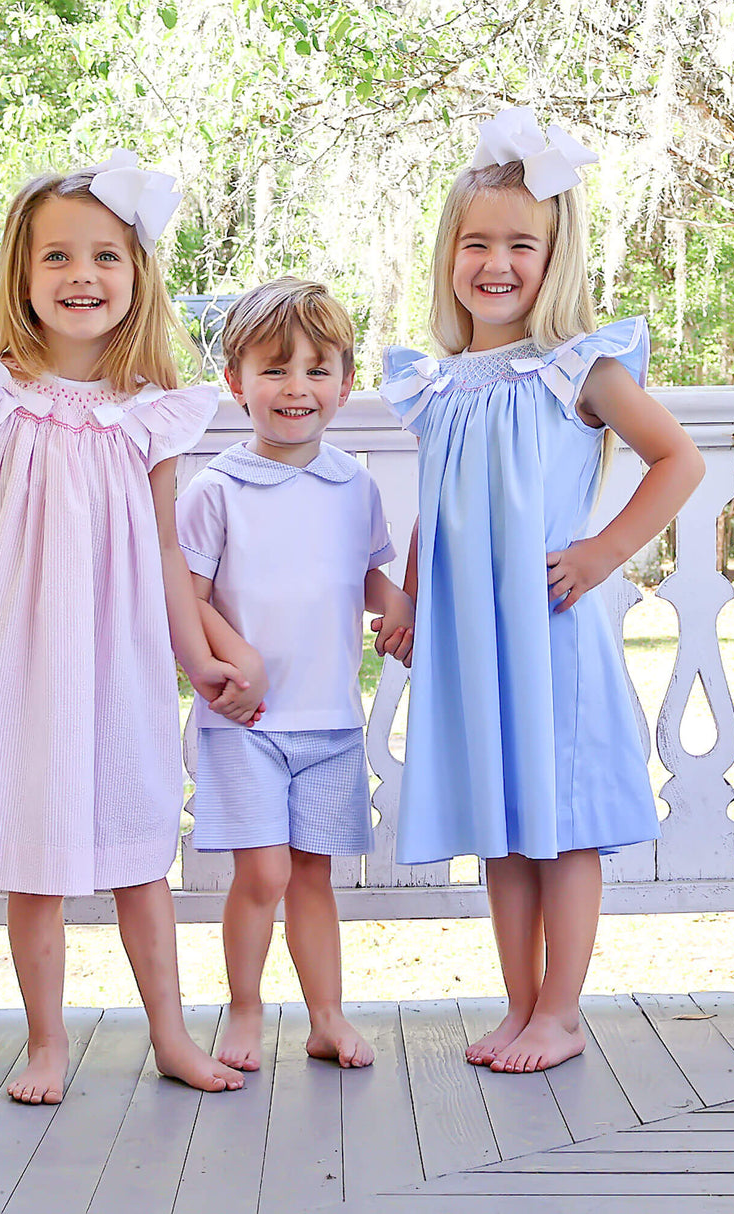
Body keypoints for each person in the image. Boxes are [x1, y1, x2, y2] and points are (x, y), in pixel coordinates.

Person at [0, 150, 248, 1103]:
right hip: (24, 658)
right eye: (58, 258)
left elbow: (170, 555)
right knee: (33, 861)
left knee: (138, 855)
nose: (82, 277)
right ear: (23, 272)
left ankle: (171, 1036)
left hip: (122, 658)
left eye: (105, 258)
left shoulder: (152, 413)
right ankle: (47, 1044)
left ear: (138, 275)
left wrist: (198, 655)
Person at [383, 109, 705, 1074]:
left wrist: (604, 551)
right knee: (505, 823)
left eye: (522, 243)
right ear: (449, 256)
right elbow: (433, 508)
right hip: (471, 636)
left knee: (560, 829)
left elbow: (677, 461)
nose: (497, 262)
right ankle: (519, 1005)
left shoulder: (579, 367)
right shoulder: (439, 383)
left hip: (550, 627)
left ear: (554, 256)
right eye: (476, 242)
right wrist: (405, 598)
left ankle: (562, 1011)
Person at [176, 279, 415, 1071]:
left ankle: (327, 1018)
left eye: (318, 370)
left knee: (314, 875)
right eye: (275, 369)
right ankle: (244, 1011)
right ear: (234, 381)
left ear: (345, 385)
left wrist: (401, 606)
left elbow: (366, 581)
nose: (296, 388)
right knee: (264, 872)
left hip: (332, 722)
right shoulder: (215, 491)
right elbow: (188, 598)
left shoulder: (354, 485)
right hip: (244, 722)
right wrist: (226, 660)